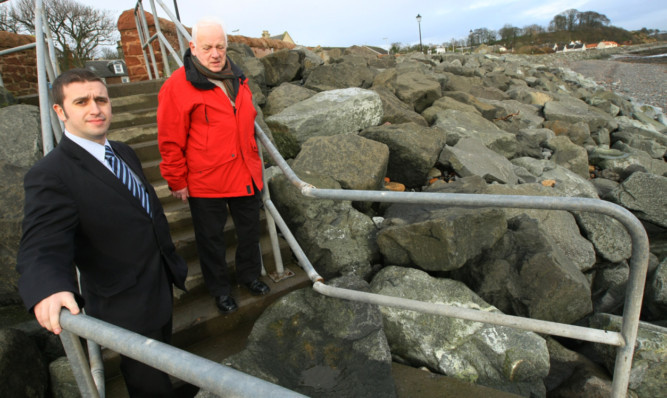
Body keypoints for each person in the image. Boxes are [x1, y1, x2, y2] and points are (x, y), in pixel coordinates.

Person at [16, 68, 188, 397]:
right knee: (148, 383)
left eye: (101, 99)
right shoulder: (50, 174)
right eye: (81, 101)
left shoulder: (124, 151)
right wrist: (47, 287)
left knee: (166, 360)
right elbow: (41, 242)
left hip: (159, 281)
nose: (95, 108)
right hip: (122, 299)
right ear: (60, 111)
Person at [157, 17, 270, 315]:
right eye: (207, 47)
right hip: (206, 180)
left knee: (248, 234)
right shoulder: (177, 86)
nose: (215, 53)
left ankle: (249, 277)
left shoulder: (238, 77)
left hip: (245, 174)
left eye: (220, 46)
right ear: (193, 47)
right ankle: (220, 291)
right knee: (211, 241)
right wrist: (177, 179)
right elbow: (170, 139)